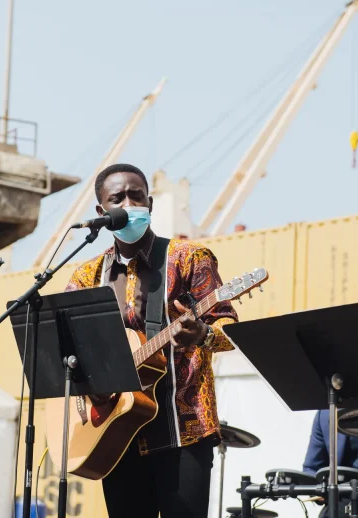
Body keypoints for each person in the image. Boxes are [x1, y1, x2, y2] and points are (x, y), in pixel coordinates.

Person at [64, 163, 238, 518]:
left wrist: (202, 334)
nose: (129, 203)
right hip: (116, 431)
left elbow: (229, 331)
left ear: (150, 203)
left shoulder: (189, 258)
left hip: (182, 429)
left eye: (137, 195)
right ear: (101, 212)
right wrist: (91, 383)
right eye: (118, 198)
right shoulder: (86, 276)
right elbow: (67, 348)